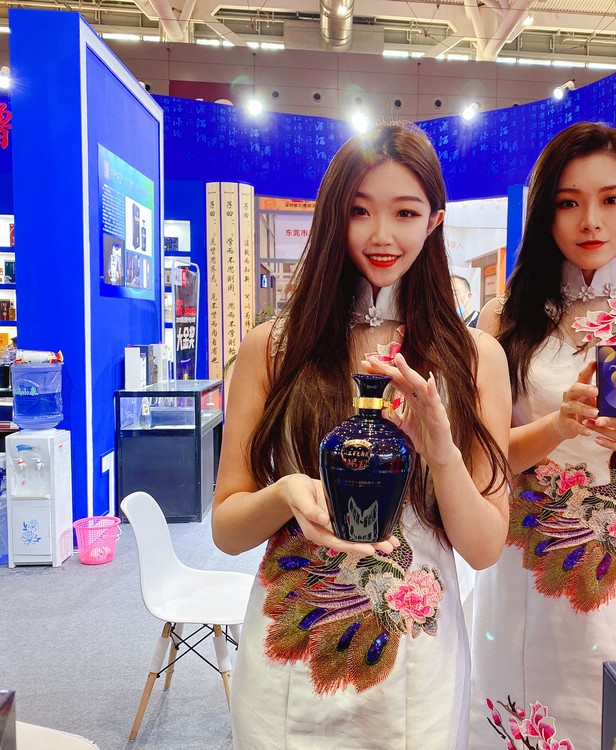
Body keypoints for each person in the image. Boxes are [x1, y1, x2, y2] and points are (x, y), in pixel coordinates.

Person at [212, 123, 511, 749]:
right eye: (359, 210)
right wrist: (286, 494)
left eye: (405, 212)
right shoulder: (272, 348)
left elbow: (485, 546)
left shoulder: (474, 357)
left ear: (434, 222)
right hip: (289, 650)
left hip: (416, 660)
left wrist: (441, 452)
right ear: (331, 218)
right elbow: (228, 529)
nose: (381, 235)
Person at [469, 122, 616, 748]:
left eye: (611, 199)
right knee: (517, 710)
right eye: (568, 202)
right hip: (524, 559)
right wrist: (556, 426)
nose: (591, 221)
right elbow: (484, 462)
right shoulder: (503, 317)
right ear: (545, 211)